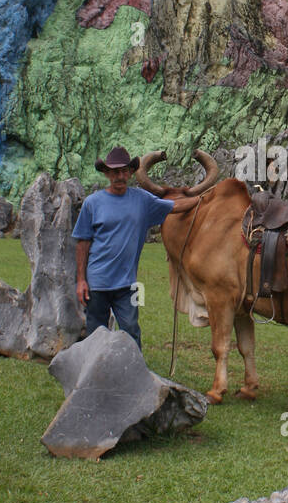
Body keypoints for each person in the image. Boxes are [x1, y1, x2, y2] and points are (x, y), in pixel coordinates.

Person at [72, 145, 199, 351]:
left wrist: (203, 199)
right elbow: (82, 242)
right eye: (114, 172)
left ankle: (134, 375)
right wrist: (80, 281)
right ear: (106, 173)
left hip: (129, 284)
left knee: (131, 330)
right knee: (95, 333)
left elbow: (174, 207)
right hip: (97, 283)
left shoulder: (142, 200)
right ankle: (94, 376)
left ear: (131, 172)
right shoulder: (92, 203)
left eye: (124, 171)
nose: (120, 176)